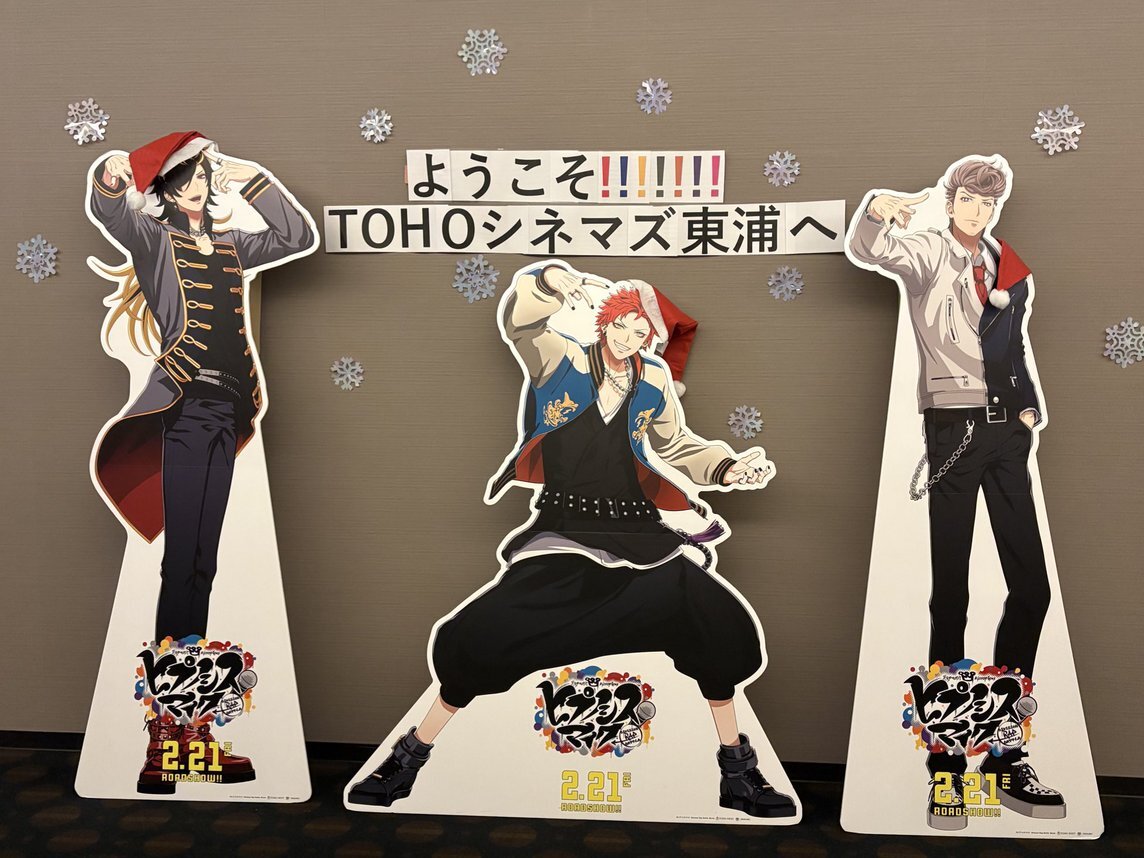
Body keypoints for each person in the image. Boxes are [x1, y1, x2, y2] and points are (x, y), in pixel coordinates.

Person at [349, 264, 796, 819]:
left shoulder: (652, 380)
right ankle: (408, 759)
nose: (629, 338)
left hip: (637, 529)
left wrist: (729, 469)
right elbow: (522, 325)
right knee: (482, 634)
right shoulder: (560, 359)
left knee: (717, 625)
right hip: (565, 529)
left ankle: (737, 773)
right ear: (606, 321)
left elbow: (677, 445)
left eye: (641, 331)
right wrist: (547, 281)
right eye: (623, 325)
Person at [88, 131, 316, 793]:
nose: (197, 185)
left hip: (227, 410)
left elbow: (296, 235)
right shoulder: (156, 240)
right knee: (182, 564)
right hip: (185, 409)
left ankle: (188, 729)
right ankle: (166, 736)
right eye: (184, 177)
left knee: (202, 566)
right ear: (163, 187)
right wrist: (113, 179)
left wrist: (253, 177)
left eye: (202, 175)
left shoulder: (230, 245)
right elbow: (112, 213)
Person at [847, 159, 1065, 829]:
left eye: (987, 202)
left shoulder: (1004, 262)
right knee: (953, 594)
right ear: (950, 200)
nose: (977, 211)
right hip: (953, 426)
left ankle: (1004, 750)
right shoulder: (926, 252)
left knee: (1031, 589)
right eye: (968, 199)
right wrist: (877, 211)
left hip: (1007, 432)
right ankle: (946, 761)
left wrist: (1027, 407)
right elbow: (870, 249)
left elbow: (1012, 342)